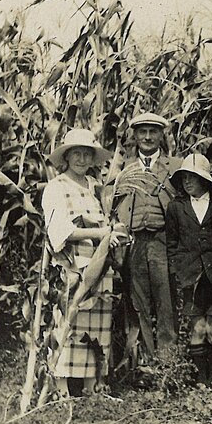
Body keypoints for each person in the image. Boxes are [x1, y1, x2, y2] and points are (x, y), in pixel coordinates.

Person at [42, 128, 123, 397]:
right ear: (66, 157)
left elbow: (109, 223)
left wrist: (112, 237)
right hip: (72, 267)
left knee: (95, 324)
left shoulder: (95, 189)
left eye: (87, 154)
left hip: (100, 265)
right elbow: (60, 233)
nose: (81, 159)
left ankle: (91, 384)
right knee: (69, 320)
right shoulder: (56, 187)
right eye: (76, 153)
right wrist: (101, 234)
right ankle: (62, 386)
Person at [114, 112, 181, 363]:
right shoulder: (124, 169)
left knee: (166, 302)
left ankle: (168, 363)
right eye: (142, 131)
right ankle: (144, 362)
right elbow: (111, 204)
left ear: (162, 135)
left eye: (153, 131)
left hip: (162, 242)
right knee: (138, 302)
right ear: (135, 135)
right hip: (134, 244)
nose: (148, 137)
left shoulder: (174, 167)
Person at [166, 153, 212, 387]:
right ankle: (201, 381)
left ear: (204, 179)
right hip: (190, 275)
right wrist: (179, 268)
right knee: (197, 327)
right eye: (184, 178)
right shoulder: (177, 207)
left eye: (192, 177)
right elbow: (172, 243)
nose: (187, 182)